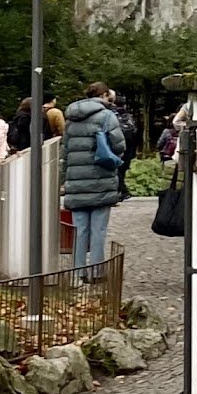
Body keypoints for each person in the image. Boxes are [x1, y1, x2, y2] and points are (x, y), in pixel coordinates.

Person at [61, 80, 128, 275]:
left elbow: (65, 152)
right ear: (105, 95)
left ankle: (78, 271)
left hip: (76, 180)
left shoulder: (71, 118)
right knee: (98, 230)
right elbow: (119, 146)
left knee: (79, 230)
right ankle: (96, 271)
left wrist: (65, 178)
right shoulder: (107, 116)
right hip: (101, 178)